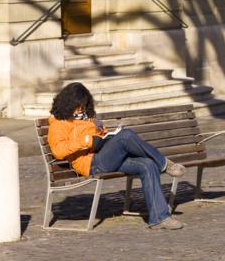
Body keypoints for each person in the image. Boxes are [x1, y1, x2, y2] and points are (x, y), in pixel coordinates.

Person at [48, 82, 185, 229]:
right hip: (91, 164)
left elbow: (99, 134)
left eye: (83, 105)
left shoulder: (88, 117)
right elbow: (58, 150)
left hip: (105, 156)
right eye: (78, 105)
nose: (81, 109)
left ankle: (159, 218)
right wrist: (86, 141)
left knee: (147, 164)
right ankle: (164, 163)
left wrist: (104, 135)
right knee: (126, 136)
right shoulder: (58, 122)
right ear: (68, 103)